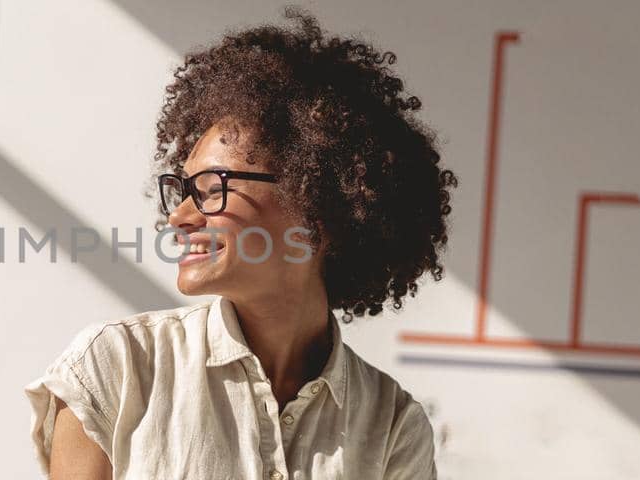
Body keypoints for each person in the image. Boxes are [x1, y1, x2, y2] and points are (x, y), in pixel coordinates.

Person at [24, 7, 456, 480]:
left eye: (212, 189)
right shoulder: (116, 370)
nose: (179, 217)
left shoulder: (392, 426)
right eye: (182, 190)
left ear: (318, 204)